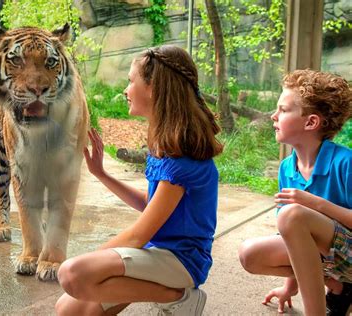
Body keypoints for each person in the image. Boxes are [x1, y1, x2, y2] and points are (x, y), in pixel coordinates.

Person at [55, 45, 223, 316]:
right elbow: (151, 204)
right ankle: (173, 295)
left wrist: (94, 259)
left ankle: (178, 297)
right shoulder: (165, 146)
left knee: (74, 274)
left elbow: (138, 234)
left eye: (131, 81)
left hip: (181, 261)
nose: (125, 90)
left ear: (154, 88)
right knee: (68, 309)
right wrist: (102, 174)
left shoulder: (182, 160)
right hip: (160, 253)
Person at [238, 69, 352, 315]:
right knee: (250, 254)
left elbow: (296, 218)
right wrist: (289, 288)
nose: (273, 116)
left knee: (292, 214)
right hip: (330, 260)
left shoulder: (346, 162)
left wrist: (317, 204)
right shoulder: (287, 169)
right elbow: (294, 237)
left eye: (283, 110)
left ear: (311, 122)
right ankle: (339, 287)